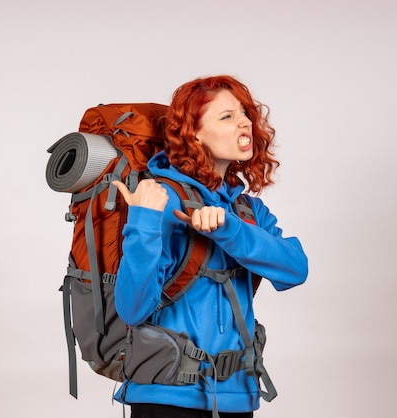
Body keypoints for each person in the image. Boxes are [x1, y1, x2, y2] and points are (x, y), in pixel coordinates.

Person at [111, 75, 309, 418]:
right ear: (193, 133)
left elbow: (295, 270)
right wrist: (143, 219)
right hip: (166, 398)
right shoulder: (160, 199)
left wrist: (229, 229)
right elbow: (132, 309)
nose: (244, 122)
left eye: (245, 113)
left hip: (239, 396)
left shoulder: (247, 210)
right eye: (227, 116)